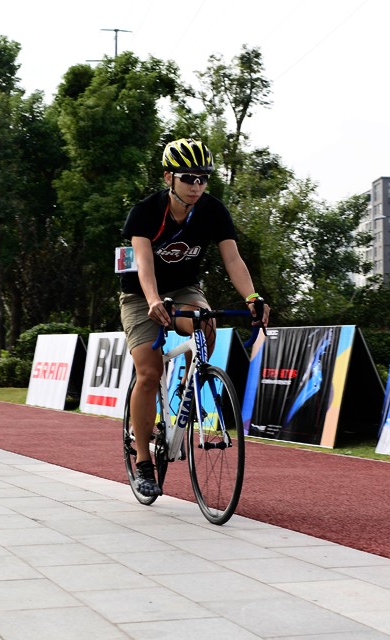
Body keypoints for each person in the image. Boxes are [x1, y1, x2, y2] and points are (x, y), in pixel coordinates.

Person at [119, 138, 270, 497]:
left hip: (184, 289)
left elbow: (232, 259)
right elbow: (143, 263)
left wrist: (252, 297)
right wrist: (153, 300)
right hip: (141, 294)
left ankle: (189, 389)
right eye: (188, 178)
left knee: (206, 324)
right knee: (149, 373)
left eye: (203, 178)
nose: (196, 185)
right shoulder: (145, 212)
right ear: (168, 177)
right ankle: (144, 462)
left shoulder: (213, 211)